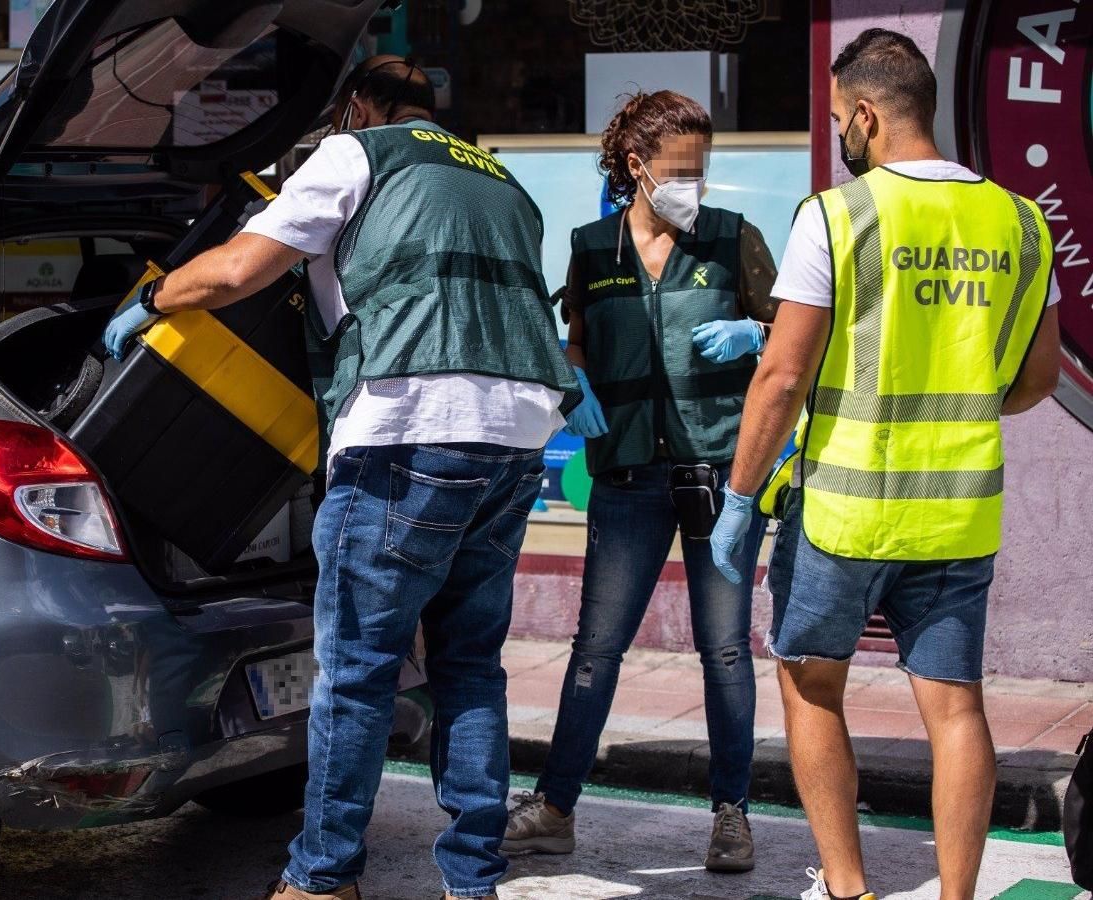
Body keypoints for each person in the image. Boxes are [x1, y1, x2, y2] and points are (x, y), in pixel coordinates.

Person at [103, 57, 579, 900]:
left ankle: (322, 878)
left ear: (358, 106)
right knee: (471, 664)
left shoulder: (357, 153)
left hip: (407, 427)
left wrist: (153, 297)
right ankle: (473, 880)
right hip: (517, 436)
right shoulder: (501, 178)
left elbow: (239, 269)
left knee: (358, 670)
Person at [708, 29, 1062, 900]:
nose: (840, 133)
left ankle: (849, 889)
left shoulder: (838, 215)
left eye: (839, 118)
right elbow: (1037, 380)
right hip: (959, 513)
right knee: (956, 706)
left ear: (866, 115)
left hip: (844, 510)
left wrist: (740, 496)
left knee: (811, 687)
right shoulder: (1021, 221)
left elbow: (782, 376)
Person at [502, 90, 777, 874]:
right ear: (637, 165)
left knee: (725, 651)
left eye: (701, 169)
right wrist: (573, 382)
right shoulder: (594, 249)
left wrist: (755, 334)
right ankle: (555, 809)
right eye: (680, 171)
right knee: (596, 649)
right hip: (626, 477)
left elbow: (796, 331)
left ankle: (732, 815)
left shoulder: (732, 238)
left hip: (718, 474)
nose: (695, 185)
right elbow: (576, 341)